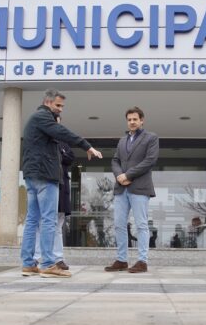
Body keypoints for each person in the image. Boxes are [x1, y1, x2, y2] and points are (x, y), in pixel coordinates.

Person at [21, 88, 102, 278]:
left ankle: (28, 264)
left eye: (62, 106)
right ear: (48, 102)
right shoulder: (42, 117)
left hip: (33, 176)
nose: (61, 110)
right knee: (48, 220)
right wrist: (86, 145)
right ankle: (49, 264)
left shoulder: (37, 120)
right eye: (58, 105)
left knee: (33, 220)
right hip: (44, 176)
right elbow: (62, 131)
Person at [104, 106, 159, 273]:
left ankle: (142, 261)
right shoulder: (122, 141)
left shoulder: (151, 138)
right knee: (119, 224)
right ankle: (121, 260)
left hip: (140, 187)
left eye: (135, 119)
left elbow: (150, 160)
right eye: (129, 119)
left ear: (142, 120)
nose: (132, 122)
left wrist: (128, 175)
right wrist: (120, 175)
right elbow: (115, 160)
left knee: (141, 225)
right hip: (121, 188)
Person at [34, 141, 75, 270]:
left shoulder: (63, 144)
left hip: (61, 189)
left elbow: (70, 158)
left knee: (57, 227)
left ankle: (58, 259)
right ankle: (36, 258)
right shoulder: (40, 142)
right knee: (41, 225)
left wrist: (59, 153)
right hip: (44, 187)